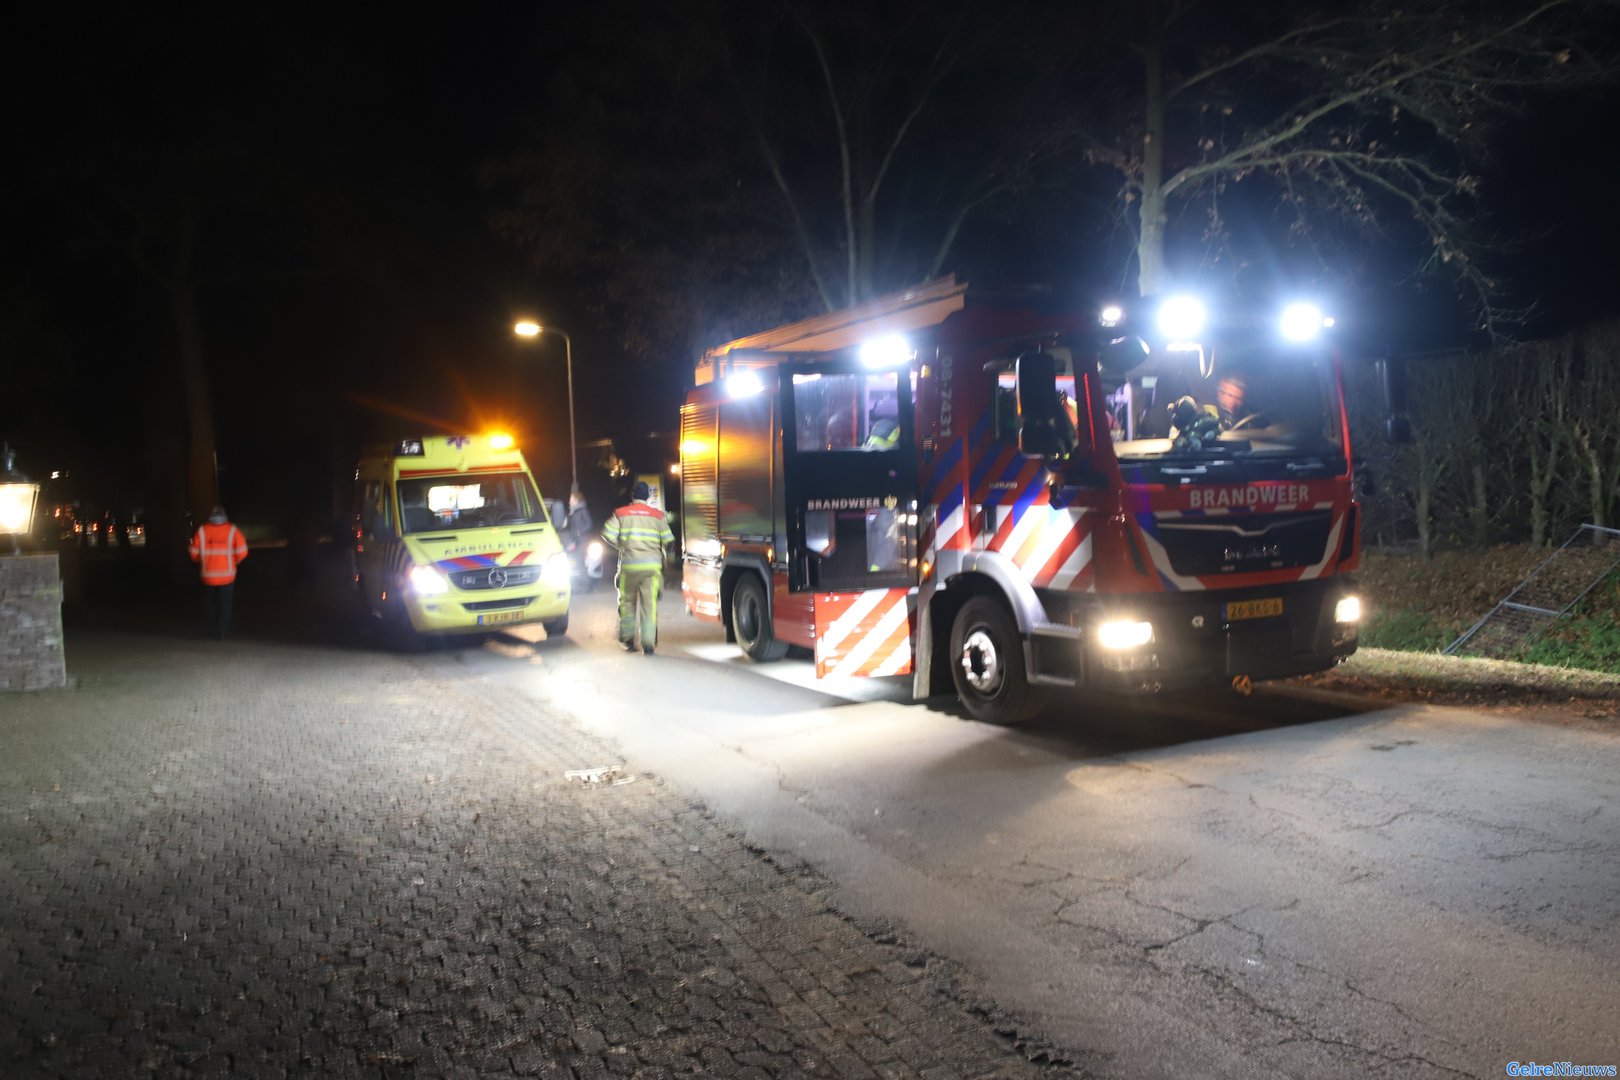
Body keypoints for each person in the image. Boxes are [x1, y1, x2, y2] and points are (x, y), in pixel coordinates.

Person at [601, 481, 673, 655]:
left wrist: (622, 546)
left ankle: (627, 641)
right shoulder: (658, 516)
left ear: (633, 495)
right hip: (651, 568)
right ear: (647, 497)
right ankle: (648, 644)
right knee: (649, 605)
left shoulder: (621, 513)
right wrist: (661, 553)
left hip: (629, 566)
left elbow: (606, 534)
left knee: (627, 603)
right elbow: (669, 541)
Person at [189, 504, 249, 640]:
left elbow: (193, 554)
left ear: (211, 517)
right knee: (225, 604)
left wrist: (205, 560)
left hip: (207, 575)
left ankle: (210, 628)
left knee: (209, 603)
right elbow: (243, 552)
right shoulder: (233, 531)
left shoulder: (202, 531)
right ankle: (222, 631)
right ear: (224, 516)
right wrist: (234, 561)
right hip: (227, 576)